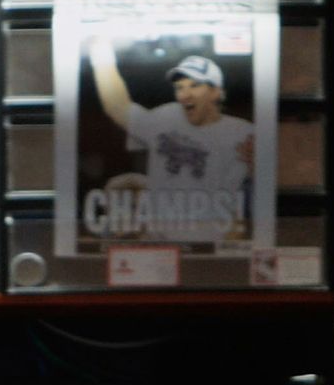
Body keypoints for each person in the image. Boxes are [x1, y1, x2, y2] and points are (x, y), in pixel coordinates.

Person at [86, 38, 255, 242]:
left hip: (212, 244)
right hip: (159, 243)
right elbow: (117, 106)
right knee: (121, 183)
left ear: (216, 92)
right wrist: (100, 49)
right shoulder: (165, 118)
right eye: (180, 87)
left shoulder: (242, 132)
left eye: (194, 85)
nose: (185, 94)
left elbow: (263, 186)